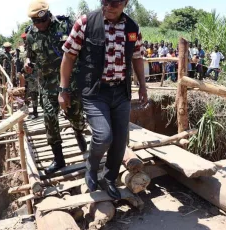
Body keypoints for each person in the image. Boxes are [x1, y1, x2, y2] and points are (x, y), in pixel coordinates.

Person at [59, 0, 148, 199]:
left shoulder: (132, 28)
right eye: (103, 1)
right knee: (103, 135)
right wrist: (63, 89)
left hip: (121, 92)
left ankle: (109, 178)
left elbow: (137, 57)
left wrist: (142, 86)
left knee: (119, 141)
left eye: (113, 2)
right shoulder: (86, 23)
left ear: (125, 3)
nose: (107, 6)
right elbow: (69, 56)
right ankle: (91, 166)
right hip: (95, 92)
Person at [25, 0, 87, 175]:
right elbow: (30, 57)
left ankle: (78, 131)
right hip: (47, 84)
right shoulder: (31, 35)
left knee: (75, 115)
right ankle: (58, 159)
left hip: (70, 83)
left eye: (42, 20)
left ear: (48, 15)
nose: (39, 25)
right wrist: (28, 63)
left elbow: (81, 50)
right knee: (50, 118)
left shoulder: (65, 26)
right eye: (35, 22)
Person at [20, 32, 39, 119]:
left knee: (33, 93)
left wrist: (31, 65)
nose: (25, 42)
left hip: (33, 75)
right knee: (26, 93)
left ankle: (35, 112)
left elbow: (37, 62)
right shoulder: (24, 50)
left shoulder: (34, 48)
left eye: (26, 40)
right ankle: (27, 111)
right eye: (24, 40)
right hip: (26, 76)